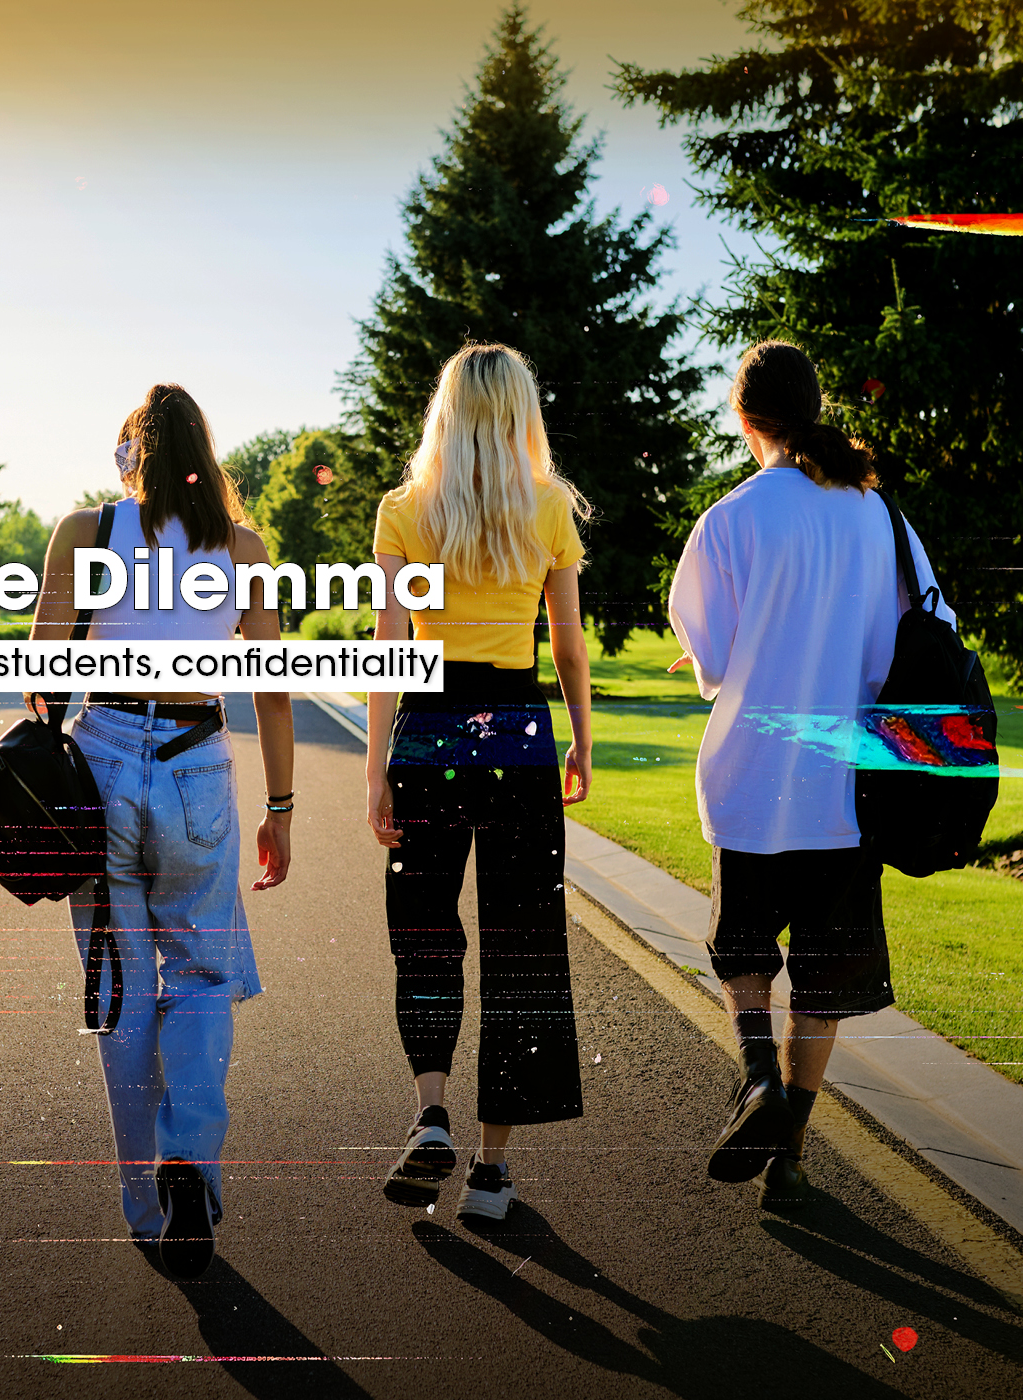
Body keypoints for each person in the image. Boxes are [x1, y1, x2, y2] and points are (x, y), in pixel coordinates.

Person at [668, 339, 955, 1208]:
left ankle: (755, 1078)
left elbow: (713, 658)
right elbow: (924, 627)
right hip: (850, 793)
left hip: (753, 781)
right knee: (823, 986)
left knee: (744, 954)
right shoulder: (882, 516)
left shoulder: (731, 520)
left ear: (744, 418)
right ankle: (789, 1149)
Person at [27, 383, 295, 1280]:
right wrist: (282, 810)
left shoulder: (86, 531)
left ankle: (145, 1203)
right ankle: (192, 1158)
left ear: (130, 457)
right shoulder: (243, 548)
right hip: (196, 766)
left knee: (123, 986)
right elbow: (272, 690)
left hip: (102, 757)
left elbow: (44, 673)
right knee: (205, 973)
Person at [366, 343, 594, 1223]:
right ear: (520, 413)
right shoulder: (548, 508)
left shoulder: (404, 510)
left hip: (428, 726)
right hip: (520, 733)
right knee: (521, 944)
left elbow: (388, 649)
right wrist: (580, 739)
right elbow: (567, 644)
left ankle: (430, 1114)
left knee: (424, 929)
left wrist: (380, 767)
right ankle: (493, 1173)